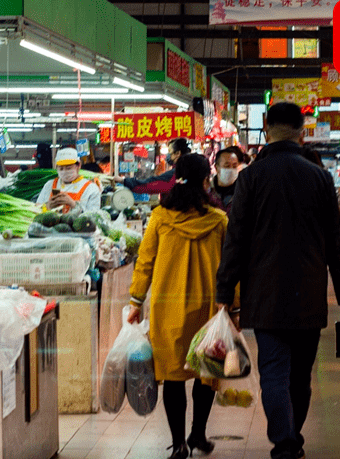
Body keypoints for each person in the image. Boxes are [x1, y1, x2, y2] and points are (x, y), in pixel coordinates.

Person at [215, 102, 340, 459]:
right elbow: (335, 242)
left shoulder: (251, 177)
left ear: (265, 125)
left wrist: (224, 291)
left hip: (263, 294)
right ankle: (292, 437)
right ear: (303, 130)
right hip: (309, 293)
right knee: (300, 377)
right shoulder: (320, 177)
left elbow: (236, 239)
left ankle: (285, 441)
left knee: (274, 372)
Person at [127, 154, 228, 459]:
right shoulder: (219, 220)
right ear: (206, 179)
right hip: (207, 307)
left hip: (167, 306)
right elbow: (230, 268)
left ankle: (179, 443)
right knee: (205, 369)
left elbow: (145, 262)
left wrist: (136, 300)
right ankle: (197, 433)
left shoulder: (160, 218)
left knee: (172, 375)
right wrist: (233, 307)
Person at [35, 147, 101, 213]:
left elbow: (94, 217)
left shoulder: (91, 189)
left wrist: (73, 205)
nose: (64, 171)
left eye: (68, 168)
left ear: (79, 165)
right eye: (61, 169)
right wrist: (47, 206)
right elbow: (37, 208)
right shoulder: (49, 185)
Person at [113, 138, 191, 191]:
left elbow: (151, 183)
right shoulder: (192, 167)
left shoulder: (177, 172)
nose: (168, 155)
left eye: (170, 152)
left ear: (177, 153)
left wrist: (123, 181)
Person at [211, 147, 242, 211]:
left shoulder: (243, 191)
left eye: (234, 166)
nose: (231, 170)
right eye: (227, 166)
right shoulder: (207, 191)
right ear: (216, 168)